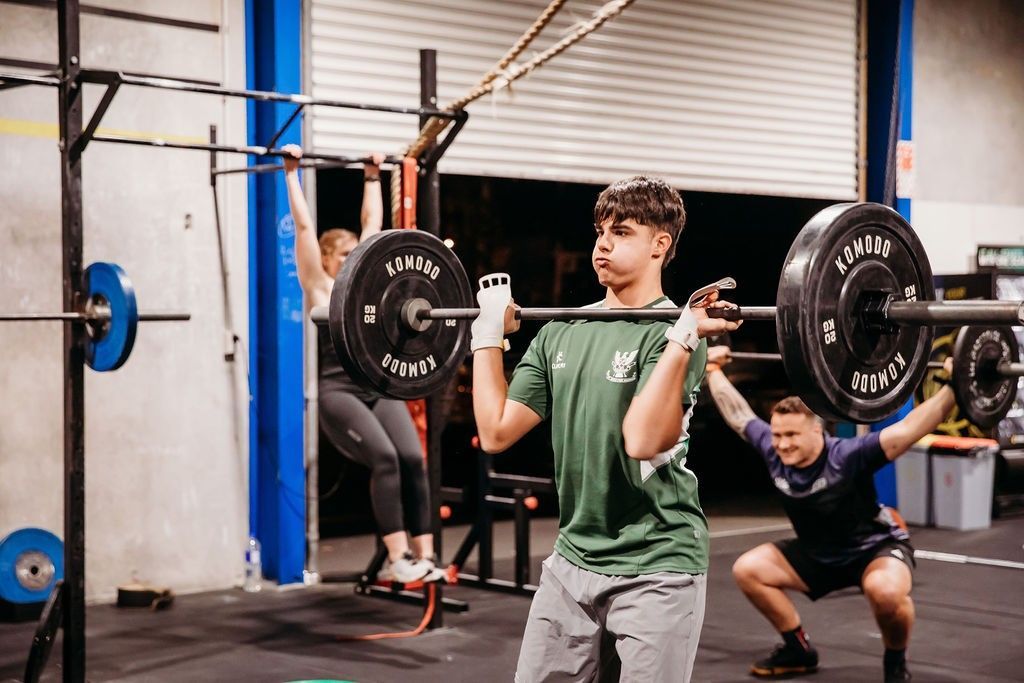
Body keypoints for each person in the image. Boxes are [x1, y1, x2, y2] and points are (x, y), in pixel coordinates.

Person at [471, 176, 741, 682]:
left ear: (661, 244)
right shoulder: (560, 330)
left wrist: (683, 336)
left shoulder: (675, 333)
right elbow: (496, 432)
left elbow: (640, 440)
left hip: (658, 562)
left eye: (621, 231)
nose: (602, 244)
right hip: (572, 560)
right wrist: (485, 339)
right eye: (600, 231)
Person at [704, 346, 956, 682]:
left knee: (885, 592)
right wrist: (713, 370)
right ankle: (798, 649)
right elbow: (740, 417)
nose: (782, 444)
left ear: (816, 431)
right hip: (815, 554)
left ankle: (895, 661)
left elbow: (908, 430)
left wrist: (954, 387)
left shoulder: (848, 455)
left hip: (872, 551)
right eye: (777, 435)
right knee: (748, 569)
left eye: (791, 435)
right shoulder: (773, 450)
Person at [281, 144, 440, 584]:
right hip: (339, 392)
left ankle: (426, 556)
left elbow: (373, 225)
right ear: (328, 259)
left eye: (356, 252)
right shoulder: (318, 287)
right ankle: (397, 557)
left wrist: (372, 176)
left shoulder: (368, 287)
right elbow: (304, 225)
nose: (354, 258)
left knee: (412, 457)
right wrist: (291, 172)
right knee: (386, 460)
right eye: (344, 253)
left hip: (376, 387)